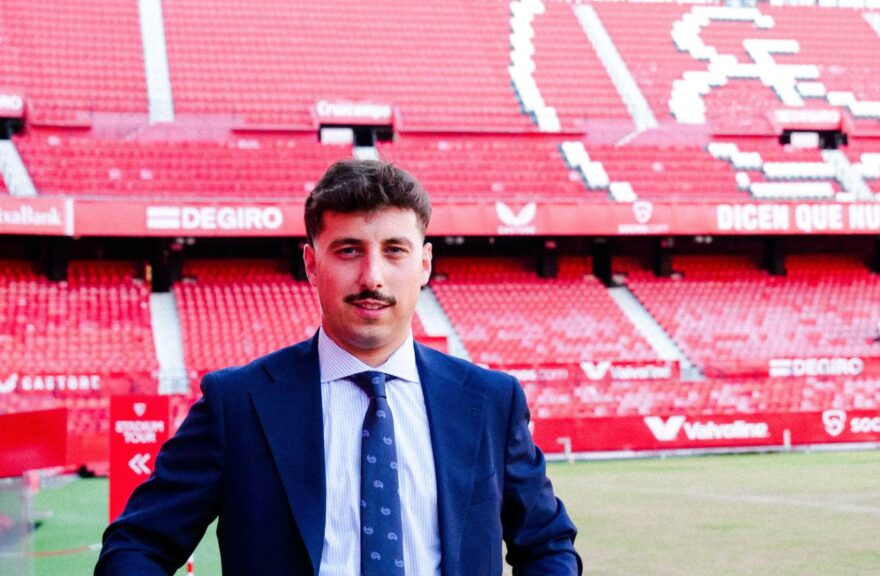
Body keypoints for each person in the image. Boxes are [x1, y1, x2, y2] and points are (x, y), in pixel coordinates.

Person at [95, 160, 581, 576]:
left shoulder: (490, 401)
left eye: (394, 250)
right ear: (311, 264)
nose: (372, 277)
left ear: (424, 263)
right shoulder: (237, 404)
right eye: (349, 250)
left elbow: (547, 546)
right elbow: (137, 546)